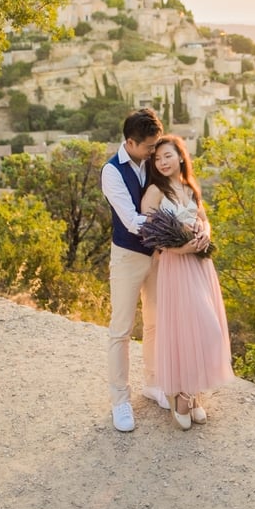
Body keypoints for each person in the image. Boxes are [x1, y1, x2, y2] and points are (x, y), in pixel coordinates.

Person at [141, 134, 235, 430]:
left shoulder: (190, 187)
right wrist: (179, 247)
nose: (162, 162)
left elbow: (203, 218)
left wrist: (206, 232)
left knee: (207, 329)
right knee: (187, 330)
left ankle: (193, 395)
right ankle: (182, 397)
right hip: (175, 266)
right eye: (157, 159)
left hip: (200, 265)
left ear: (180, 156)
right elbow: (148, 232)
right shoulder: (156, 191)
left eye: (167, 156)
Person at [101, 107, 171, 433]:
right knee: (122, 330)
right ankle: (120, 401)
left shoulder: (149, 162)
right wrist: (175, 227)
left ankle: (153, 383)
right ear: (130, 142)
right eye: (148, 147)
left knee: (155, 323)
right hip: (128, 258)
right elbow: (131, 221)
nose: (153, 152)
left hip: (155, 257)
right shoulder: (112, 172)